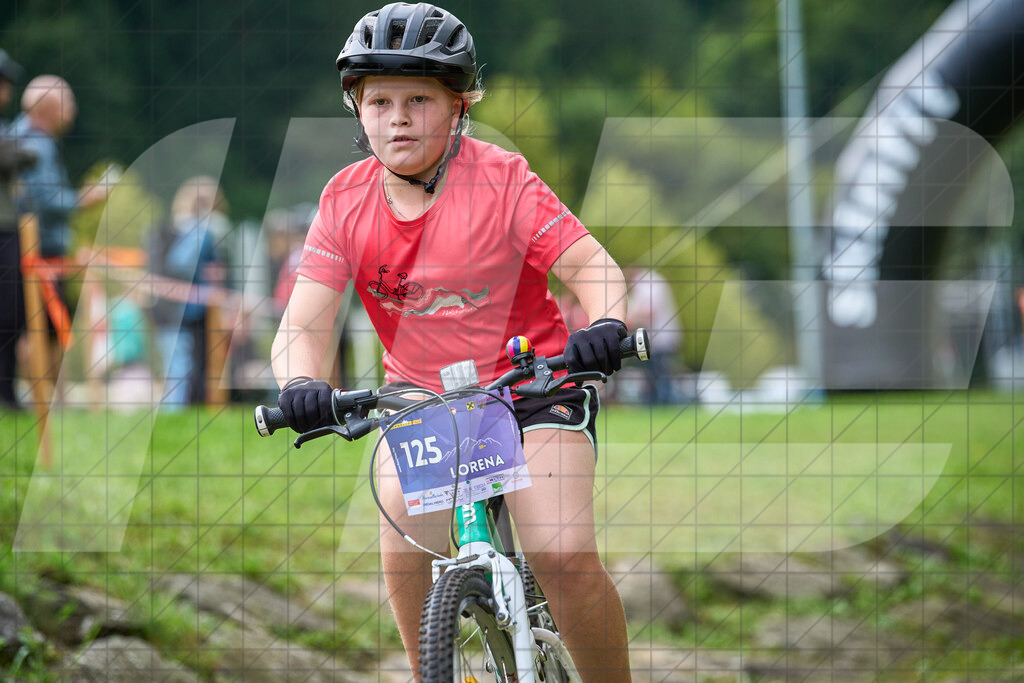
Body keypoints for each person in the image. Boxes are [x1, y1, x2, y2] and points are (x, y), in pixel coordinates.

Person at [271, 3, 632, 679]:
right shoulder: (344, 201)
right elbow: (304, 323)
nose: (398, 117)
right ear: (357, 110)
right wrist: (298, 383)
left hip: (532, 389)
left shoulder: (502, 178)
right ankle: (429, 669)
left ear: (460, 106)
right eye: (379, 100)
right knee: (405, 541)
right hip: (420, 400)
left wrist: (605, 323)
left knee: (562, 554)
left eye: (419, 99)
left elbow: (593, 267)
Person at [147, 176, 226, 408]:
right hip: (179, 311)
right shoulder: (199, 231)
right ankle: (174, 413)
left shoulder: (169, 230)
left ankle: (178, 412)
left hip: (183, 311)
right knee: (179, 367)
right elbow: (180, 264)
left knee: (182, 367)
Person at [0, 50, 35, 409]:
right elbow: (18, 155)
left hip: (8, 228)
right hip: (2, 230)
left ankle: (6, 391)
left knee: (11, 315)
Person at [626, 267, 682, 404]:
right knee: (656, 373)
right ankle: (659, 402)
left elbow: (650, 311)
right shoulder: (652, 281)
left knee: (659, 373)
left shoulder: (647, 284)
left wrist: (631, 320)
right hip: (659, 338)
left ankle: (662, 402)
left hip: (659, 339)